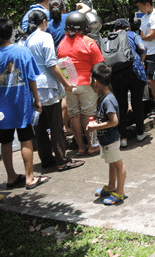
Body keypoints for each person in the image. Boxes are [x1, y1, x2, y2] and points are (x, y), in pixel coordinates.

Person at [21, 11, 84, 171]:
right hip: (48, 85)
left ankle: (47, 160)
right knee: (56, 125)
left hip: (34, 86)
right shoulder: (45, 37)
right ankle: (62, 160)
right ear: (43, 21)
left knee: (40, 127)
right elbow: (51, 63)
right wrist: (66, 83)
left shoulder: (28, 39)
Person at [0, 17, 50, 190]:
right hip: (21, 103)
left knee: (5, 141)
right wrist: (37, 100)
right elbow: (31, 79)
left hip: (2, 107)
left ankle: (11, 177)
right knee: (25, 138)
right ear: (10, 33)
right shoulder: (22, 52)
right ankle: (29, 177)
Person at [57, 12, 105, 156]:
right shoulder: (88, 42)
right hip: (86, 84)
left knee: (74, 116)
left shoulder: (61, 43)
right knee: (89, 115)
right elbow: (99, 65)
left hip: (69, 85)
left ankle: (81, 147)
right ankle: (92, 145)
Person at [87, 63, 127, 205]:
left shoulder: (108, 100)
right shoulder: (102, 97)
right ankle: (111, 187)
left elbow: (114, 121)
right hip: (106, 139)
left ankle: (120, 192)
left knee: (118, 164)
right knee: (112, 163)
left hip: (111, 139)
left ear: (96, 82)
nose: (90, 82)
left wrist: (96, 127)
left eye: (90, 79)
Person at [110, 18, 148, 148]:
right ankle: (140, 133)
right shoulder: (133, 35)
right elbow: (143, 48)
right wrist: (141, 61)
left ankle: (123, 138)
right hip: (135, 71)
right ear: (128, 28)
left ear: (115, 29)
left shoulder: (111, 37)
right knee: (137, 103)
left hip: (116, 74)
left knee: (121, 106)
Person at [134, 0, 155, 122]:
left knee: (153, 80)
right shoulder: (145, 17)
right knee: (149, 80)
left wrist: (140, 38)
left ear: (147, 4)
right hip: (147, 51)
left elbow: (152, 35)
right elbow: (142, 34)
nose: (139, 8)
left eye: (140, 6)